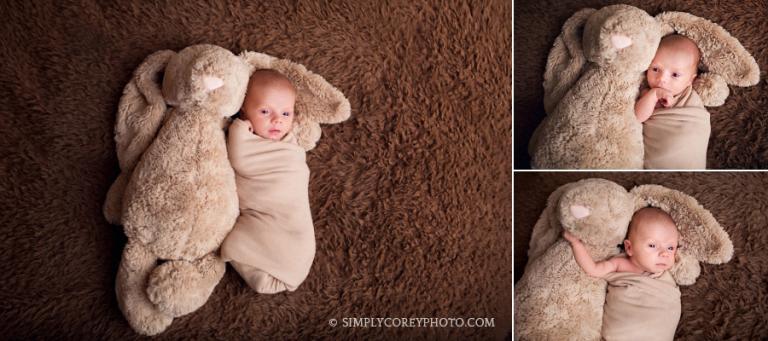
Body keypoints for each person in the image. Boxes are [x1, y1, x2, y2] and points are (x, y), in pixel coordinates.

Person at [221, 69, 316, 294]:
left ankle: (280, 263)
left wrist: (239, 131)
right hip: (268, 216)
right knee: (238, 241)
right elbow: (241, 160)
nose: (277, 121)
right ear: (244, 109)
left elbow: (294, 169)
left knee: (293, 239)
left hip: (292, 221)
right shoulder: (246, 138)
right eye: (265, 111)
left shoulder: (289, 144)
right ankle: (260, 264)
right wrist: (239, 129)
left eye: (286, 114)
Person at [563, 207, 681, 341]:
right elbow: (593, 269)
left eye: (670, 247)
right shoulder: (619, 264)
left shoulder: (665, 276)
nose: (664, 254)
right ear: (629, 248)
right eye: (652, 246)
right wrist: (576, 244)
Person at [634, 34, 710, 169]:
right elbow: (637, 117)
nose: (662, 79)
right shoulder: (648, 93)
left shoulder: (690, 97)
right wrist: (654, 95)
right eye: (655, 69)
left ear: (690, 80)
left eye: (675, 75)